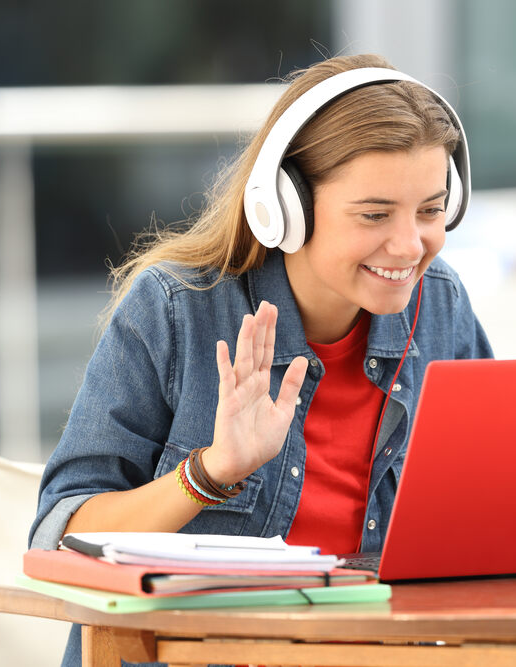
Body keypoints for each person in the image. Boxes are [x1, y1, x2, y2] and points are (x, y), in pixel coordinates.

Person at [29, 53, 492, 665]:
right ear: (285, 206)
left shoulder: (442, 307)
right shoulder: (175, 310)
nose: (411, 245)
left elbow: (487, 514)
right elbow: (59, 541)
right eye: (375, 214)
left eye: (431, 210)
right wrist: (212, 472)